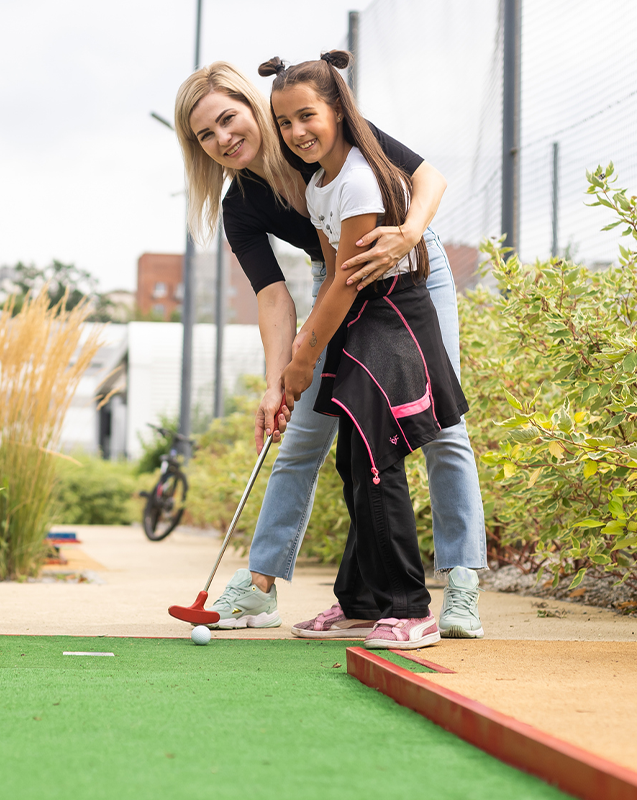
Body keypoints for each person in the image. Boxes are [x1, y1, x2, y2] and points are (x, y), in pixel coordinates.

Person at [173, 62, 486, 637]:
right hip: (334, 281)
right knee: (304, 436)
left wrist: (411, 232)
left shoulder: (313, 125)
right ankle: (262, 587)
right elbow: (273, 299)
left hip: (408, 264)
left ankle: (462, 585)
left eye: (228, 119)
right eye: (205, 135)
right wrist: (277, 381)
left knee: (443, 427)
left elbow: (429, 177)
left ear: (252, 106)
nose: (223, 139)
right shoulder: (239, 206)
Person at [270, 50, 467, 649]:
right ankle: (360, 603)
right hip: (362, 318)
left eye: (307, 116)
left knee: (376, 460)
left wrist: (303, 357)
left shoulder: (358, 178)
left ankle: (411, 609)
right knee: (355, 459)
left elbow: (350, 281)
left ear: (337, 111)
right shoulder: (318, 183)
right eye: (284, 123)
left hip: (394, 315)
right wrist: (308, 347)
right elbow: (331, 273)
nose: (297, 132)